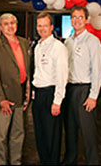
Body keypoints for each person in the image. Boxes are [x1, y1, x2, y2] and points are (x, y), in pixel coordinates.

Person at [0, 13, 30, 165]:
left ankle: (16, 162)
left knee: (18, 134)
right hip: (3, 99)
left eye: (12, 23)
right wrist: (0, 99)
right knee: (1, 137)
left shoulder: (24, 43)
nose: (10, 26)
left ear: (16, 25)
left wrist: (27, 94)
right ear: (0, 27)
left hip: (19, 96)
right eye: (6, 24)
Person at [62, 6, 101, 165]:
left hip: (85, 90)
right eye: (73, 17)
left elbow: (98, 70)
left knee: (88, 132)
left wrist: (93, 96)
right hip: (70, 89)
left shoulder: (93, 41)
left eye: (80, 17)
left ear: (86, 20)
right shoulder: (68, 41)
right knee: (70, 129)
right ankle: (70, 159)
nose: (76, 20)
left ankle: (92, 161)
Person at [32, 12, 68, 165]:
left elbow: (62, 75)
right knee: (40, 135)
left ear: (51, 27)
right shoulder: (37, 46)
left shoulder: (58, 47)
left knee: (52, 136)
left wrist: (57, 101)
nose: (42, 29)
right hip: (38, 95)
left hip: (51, 95)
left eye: (45, 26)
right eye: (39, 26)